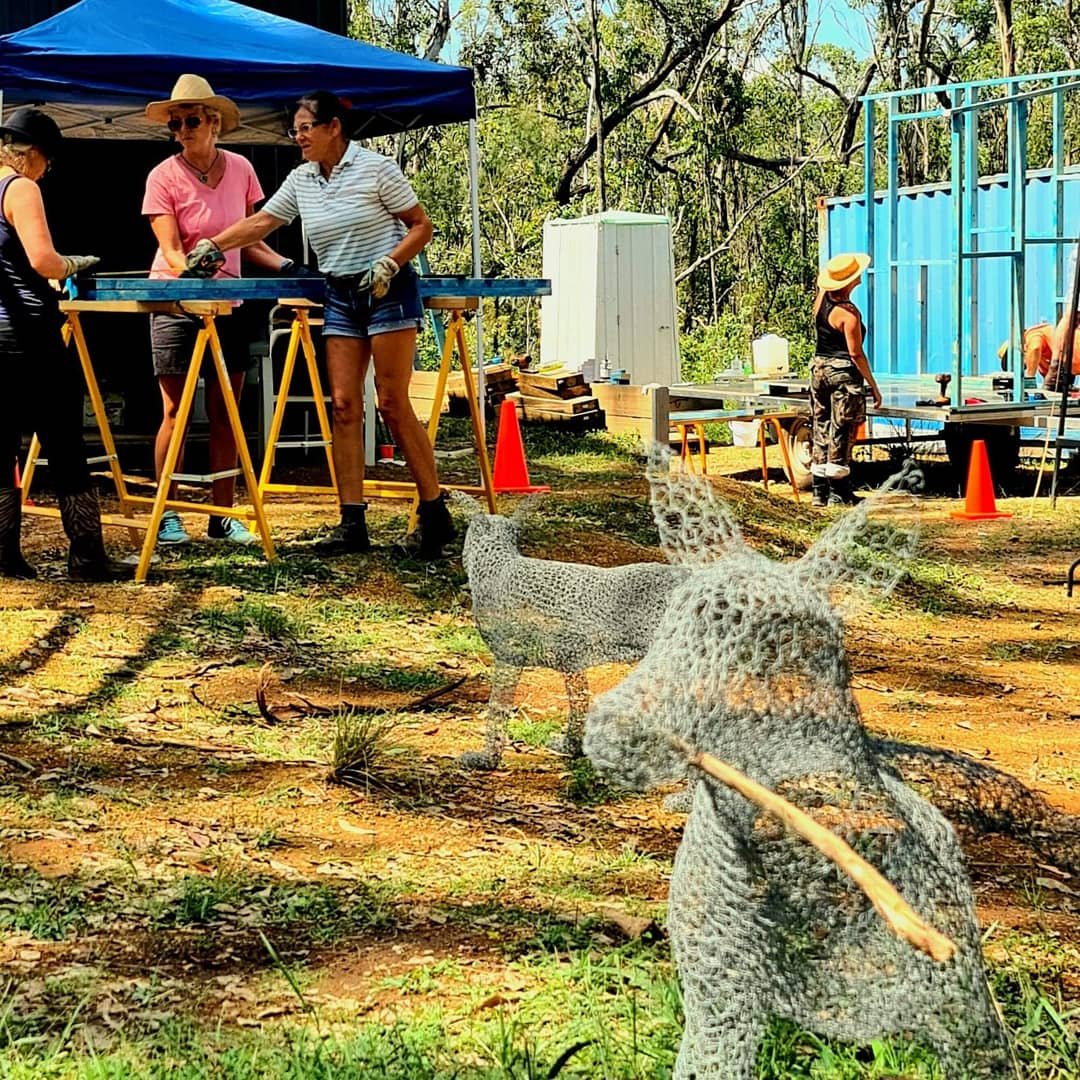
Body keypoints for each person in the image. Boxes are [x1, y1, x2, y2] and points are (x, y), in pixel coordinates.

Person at [184, 90, 455, 559]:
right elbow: (262, 223)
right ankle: (352, 523)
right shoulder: (303, 178)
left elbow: (421, 226)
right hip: (341, 293)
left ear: (334, 128)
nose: (299, 137)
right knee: (344, 406)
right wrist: (215, 244)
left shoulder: (376, 168)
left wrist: (390, 263)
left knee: (391, 403)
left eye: (306, 128)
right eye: (295, 131)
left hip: (388, 288)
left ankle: (435, 515)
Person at [142, 75, 291, 546]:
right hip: (175, 302)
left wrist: (289, 267)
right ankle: (168, 513)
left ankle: (221, 515)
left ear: (214, 123)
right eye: (175, 124)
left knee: (226, 408)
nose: (181, 130)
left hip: (230, 304)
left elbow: (252, 239)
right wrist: (192, 271)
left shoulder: (243, 169)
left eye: (190, 121)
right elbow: (170, 249)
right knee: (176, 411)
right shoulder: (162, 176)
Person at [0, 107, 133, 581]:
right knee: (64, 443)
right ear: (34, 153)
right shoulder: (21, 188)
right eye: (48, 161)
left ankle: (4, 556)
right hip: (29, 333)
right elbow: (43, 260)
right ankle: (87, 556)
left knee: (3, 447)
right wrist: (74, 263)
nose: (47, 170)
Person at [809, 252, 882, 508]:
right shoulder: (849, 314)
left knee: (820, 424)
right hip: (842, 373)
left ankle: (819, 490)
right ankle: (839, 490)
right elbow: (855, 353)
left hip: (819, 368)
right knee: (842, 427)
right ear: (850, 281)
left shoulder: (822, 300)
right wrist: (872, 385)